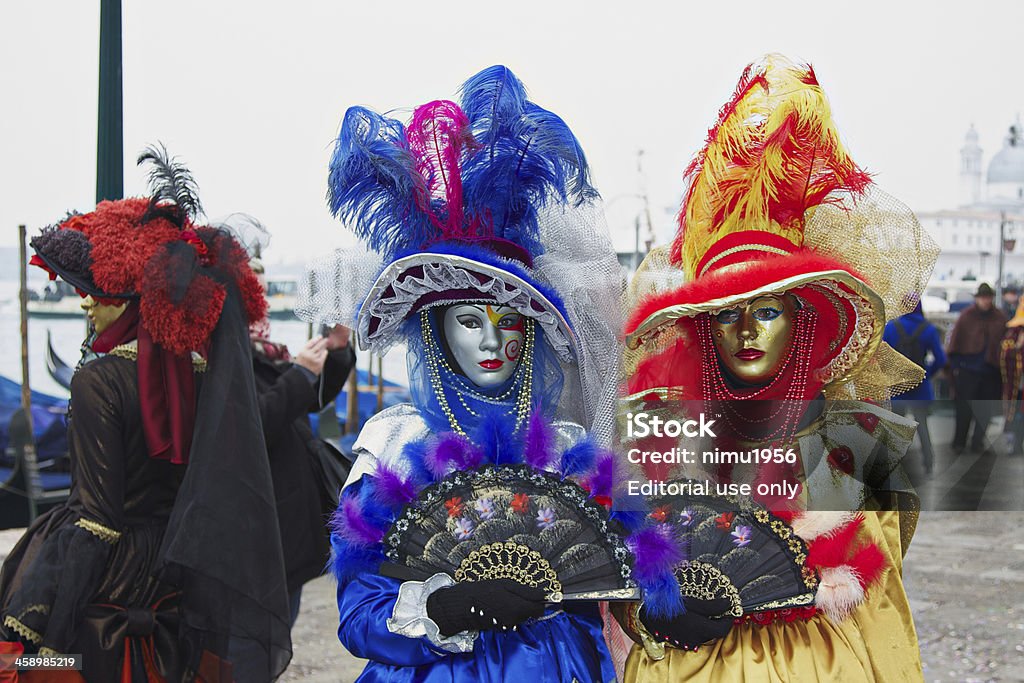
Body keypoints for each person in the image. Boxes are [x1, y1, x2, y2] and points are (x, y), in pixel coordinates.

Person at [297, 66, 624, 682]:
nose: (494, 340)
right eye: (471, 321)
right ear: (438, 331)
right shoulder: (396, 451)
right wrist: (450, 606)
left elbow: (605, 587)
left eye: (507, 319)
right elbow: (359, 611)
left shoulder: (562, 454)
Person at [617, 55, 936, 682]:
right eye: (725, 313)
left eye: (766, 310)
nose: (745, 331)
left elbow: (876, 592)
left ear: (803, 319)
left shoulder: (855, 442)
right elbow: (624, 572)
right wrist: (655, 611)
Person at [0, 147, 291, 682]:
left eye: (96, 291)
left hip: (107, 584)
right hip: (178, 573)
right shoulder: (204, 373)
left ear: (132, 295)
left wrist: (49, 626)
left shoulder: (98, 379)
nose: (86, 303)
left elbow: (97, 520)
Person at [884, 300, 947, 474]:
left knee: (896, 428)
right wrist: (926, 374)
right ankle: (928, 462)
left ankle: (895, 465)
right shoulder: (929, 329)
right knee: (923, 426)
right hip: (920, 388)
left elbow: (880, 356)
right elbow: (941, 359)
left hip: (898, 387)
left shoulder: (891, 327)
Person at [947, 282, 1008, 453]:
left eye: (988, 297)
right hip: (968, 371)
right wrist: (957, 367)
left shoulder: (999, 317)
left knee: (985, 410)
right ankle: (959, 442)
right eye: (982, 298)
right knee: (964, 409)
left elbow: (1004, 343)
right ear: (977, 299)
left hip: (991, 372)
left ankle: (977, 441)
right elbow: (955, 344)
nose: (985, 301)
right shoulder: (967, 316)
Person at [1000, 299, 1024, 455]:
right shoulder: (1013, 335)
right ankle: (1015, 443)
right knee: (1017, 413)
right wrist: (1018, 346)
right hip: (1018, 385)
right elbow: (1005, 357)